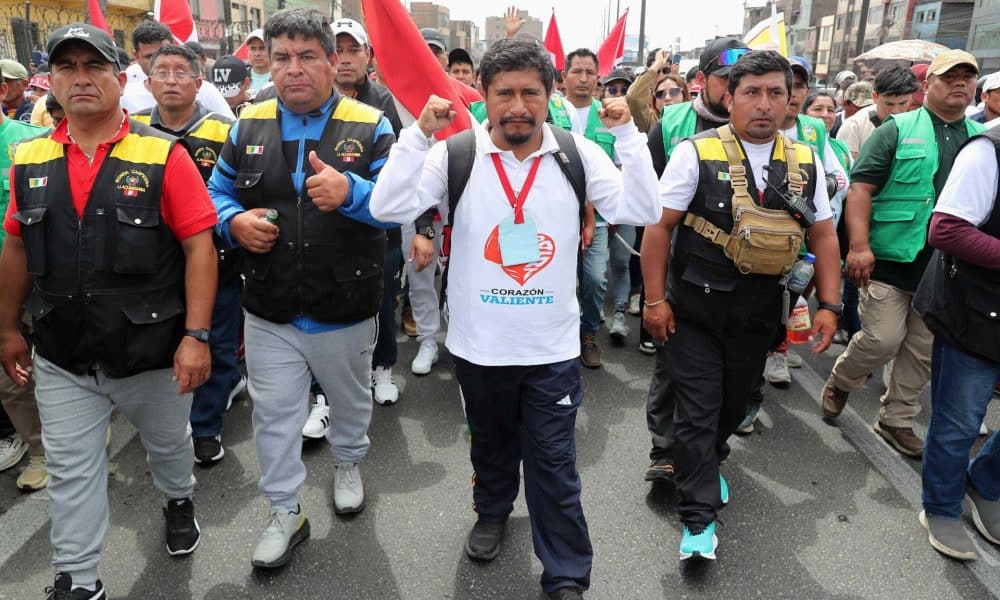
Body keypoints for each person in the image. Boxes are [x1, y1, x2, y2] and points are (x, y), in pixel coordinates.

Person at [371, 37, 660, 600]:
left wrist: (629, 135)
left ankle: (567, 577)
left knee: (555, 467)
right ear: (484, 95)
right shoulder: (454, 153)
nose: (518, 106)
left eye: (531, 92)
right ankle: (493, 511)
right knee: (491, 446)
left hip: (551, 351)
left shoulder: (578, 154)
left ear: (550, 95)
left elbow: (644, 211)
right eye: (504, 93)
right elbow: (387, 208)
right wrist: (416, 136)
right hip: (478, 348)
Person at [0, 23, 217, 597]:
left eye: (93, 66)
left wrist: (197, 335)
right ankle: (79, 579)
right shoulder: (29, 157)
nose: (80, 78)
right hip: (63, 353)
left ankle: (178, 499)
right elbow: (18, 245)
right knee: (72, 471)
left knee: (168, 448)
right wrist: (5, 328)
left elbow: (199, 246)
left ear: (120, 80)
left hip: (149, 352)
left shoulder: (163, 154)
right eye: (67, 67)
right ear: (54, 82)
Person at [208, 8, 396, 568]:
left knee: (350, 401)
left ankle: (346, 460)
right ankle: (284, 510)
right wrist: (233, 224)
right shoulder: (247, 124)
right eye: (282, 56)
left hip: (346, 304)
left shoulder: (372, 124)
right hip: (268, 309)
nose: (294, 69)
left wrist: (353, 192)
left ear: (331, 61)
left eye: (307, 56)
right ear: (268, 60)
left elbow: (399, 203)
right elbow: (217, 194)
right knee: (273, 415)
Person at [642, 50, 840, 561]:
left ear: (789, 98)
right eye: (751, 92)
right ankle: (698, 520)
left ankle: (709, 463)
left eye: (776, 92)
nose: (764, 103)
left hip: (757, 317)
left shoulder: (804, 161)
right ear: (729, 98)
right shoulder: (696, 153)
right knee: (698, 413)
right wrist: (655, 300)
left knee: (731, 409)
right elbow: (658, 230)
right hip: (694, 313)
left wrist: (830, 304)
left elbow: (823, 233)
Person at [822, 50, 986, 458]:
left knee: (921, 350)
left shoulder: (980, 139)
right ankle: (842, 379)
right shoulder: (896, 129)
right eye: (951, 77)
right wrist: (858, 246)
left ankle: (896, 419)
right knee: (881, 340)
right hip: (891, 261)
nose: (960, 84)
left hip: (946, 268)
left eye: (968, 77)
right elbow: (861, 188)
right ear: (927, 85)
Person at [641, 36, 749, 483]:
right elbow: (649, 201)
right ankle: (665, 450)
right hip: (681, 262)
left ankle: (711, 448)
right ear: (703, 80)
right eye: (729, 79)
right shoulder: (670, 125)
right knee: (673, 357)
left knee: (736, 366)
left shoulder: (772, 126)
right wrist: (652, 295)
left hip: (747, 272)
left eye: (747, 80)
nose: (738, 90)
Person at [132, 44, 246, 466]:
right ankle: (166, 423)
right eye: (162, 71)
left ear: (200, 83)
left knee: (212, 339)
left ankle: (205, 426)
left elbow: (239, 191)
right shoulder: (133, 126)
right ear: (148, 83)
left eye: (182, 72)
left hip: (216, 258)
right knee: (163, 342)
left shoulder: (224, 130)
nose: (172, 80)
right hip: (152, 264)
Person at [913, 122, 1000, 561]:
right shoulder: (989, 149)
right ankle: (941, 507)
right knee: (960, 420)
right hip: (977, 311)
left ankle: (984, 483)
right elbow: (945, 230)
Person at [326, 15, 404, 406]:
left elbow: (402, 175)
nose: (344, 58)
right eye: (336, 50)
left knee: (381, 300)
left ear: (368, 55)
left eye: (352, 49)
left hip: (378, 230)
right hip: (324, 227)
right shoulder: (310, 102)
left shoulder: (384, 104)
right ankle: (325, 393)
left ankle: (383, 368)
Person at [759, 55, 846, 386]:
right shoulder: (747, 125)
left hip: (802, 240)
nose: (792, 93)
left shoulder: (813, 131)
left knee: (792, 298)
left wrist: (818, 186)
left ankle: (778, 348)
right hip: (757, 238)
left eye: (798, 86)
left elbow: (841, 176)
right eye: (786, 85)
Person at [549, 48, 616, 368]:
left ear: (598, 78)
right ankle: (554, 335)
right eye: (577, 71)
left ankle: (588, 333)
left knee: (594, 279)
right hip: (554, 215)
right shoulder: (549, 109)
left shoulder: (609, 114)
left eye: (590, 73)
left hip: (598, 220)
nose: (584, 79)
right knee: (553, 279)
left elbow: (616, 169)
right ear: (564, 77)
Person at [0, 64, 49, 491]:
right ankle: (38, 450)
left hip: (39, 277)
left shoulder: (28, 145)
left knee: (56, 364)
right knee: (10, 375)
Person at [121, 20, 234, 118]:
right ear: (136, 56)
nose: (158, 62)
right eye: (149, 56)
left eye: (164, 53)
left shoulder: (206, 91)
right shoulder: (124, 98)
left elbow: (234, 134)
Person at [837, 68, 919, 159]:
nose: (896, 110)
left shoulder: (918, 124)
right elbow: (848, 167)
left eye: (903, 103)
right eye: (889, 104)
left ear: (911, 98)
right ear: (875, 97)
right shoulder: (854, 126)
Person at [245, 29, 272, 94]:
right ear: (247, 52)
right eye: (253, 48)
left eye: (262, 48)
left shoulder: (280, 77)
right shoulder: (240, 79)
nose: (257, 54)